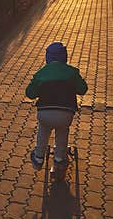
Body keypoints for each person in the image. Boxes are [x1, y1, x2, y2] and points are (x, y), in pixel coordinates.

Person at [25, 41, 88, 178]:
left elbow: (30, 93)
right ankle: (59, 158)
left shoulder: (41, 73)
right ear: (64, 57)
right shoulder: (72, 72)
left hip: (45, 113)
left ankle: (38, 156)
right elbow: (83, 89)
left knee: (43, 129)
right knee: (62, 130)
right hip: (65, 114)